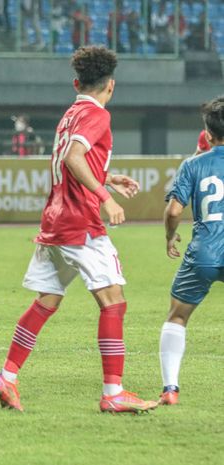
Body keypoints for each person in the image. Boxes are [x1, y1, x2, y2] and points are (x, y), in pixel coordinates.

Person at [0, 46, 157, 414]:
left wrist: (108, 178)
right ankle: (113, 392)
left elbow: (71, 158)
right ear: (111, 86)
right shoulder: (98, 115)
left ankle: (7, 377)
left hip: (55, 219)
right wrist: (104, 197)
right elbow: (73, 158)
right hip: (81, 222)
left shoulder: (70, 114)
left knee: (47, 301)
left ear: (76, 82)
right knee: (113, 301)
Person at [159, 96, 224, 406]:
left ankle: (170, 388)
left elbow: (173, 211)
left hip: (204, 253)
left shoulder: (194, 164)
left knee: (177, 317)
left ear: (207, 135)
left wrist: (170, 238)